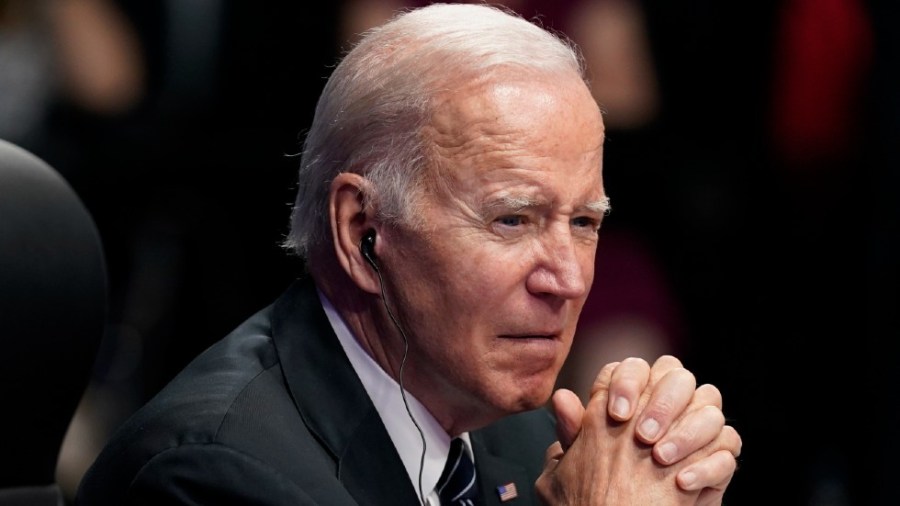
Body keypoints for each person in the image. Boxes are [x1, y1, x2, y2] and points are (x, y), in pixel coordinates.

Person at [74, 4, 741, 505]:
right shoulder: (216, 478)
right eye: (513, 220)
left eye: (585, 223)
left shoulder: (524, 433)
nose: (566, 279)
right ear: (363, 232)